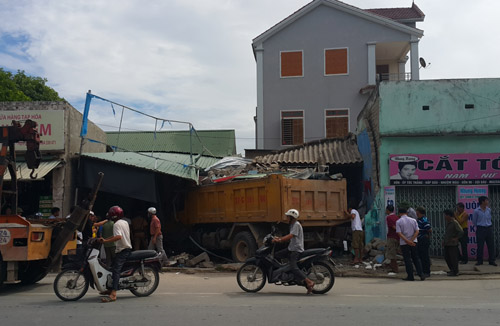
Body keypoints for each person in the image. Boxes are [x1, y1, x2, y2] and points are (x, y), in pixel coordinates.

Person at [272, 209, 315, 294]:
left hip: (296, 249)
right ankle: (283, 273)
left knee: (293, 266)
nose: (286, 218)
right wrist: (278, 238)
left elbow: (290, 236)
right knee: (277, 255)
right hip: (291, 248)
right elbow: (289, 236)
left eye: (288, 217)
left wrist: (280, 240)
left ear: (292, 217)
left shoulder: (296, 225)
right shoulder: (292, 224)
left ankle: (309, 281)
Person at [98, 206, 132, 303]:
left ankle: (113, 294)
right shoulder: (124, 222)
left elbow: (118, 236)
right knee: (112, 268)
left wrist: (106, 240)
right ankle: (111, 288)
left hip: (122, 250)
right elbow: (118, 235)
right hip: (125, 249)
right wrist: (106, 240)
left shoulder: (116, 224)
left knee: (116, 270)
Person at [396, 207, 425, 281]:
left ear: (399, 213)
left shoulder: (399, 222)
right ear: (406, 213)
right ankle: (421, 274)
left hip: (404, 243)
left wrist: (407, 241)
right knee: (416, 258)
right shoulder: (413, 220)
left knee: (407, 259)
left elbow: (399, 233)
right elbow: (417, 231)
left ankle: (410, 276)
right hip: (414, 242)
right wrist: (411, 240)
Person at [472, 196, 497, 266]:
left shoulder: (488, 210)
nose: (487, 202)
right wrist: (480, 226)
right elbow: (474, 221)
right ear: (482, 202)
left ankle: (492, 260)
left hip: (489, 228)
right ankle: (480, 261)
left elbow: (490, 219)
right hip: (480, 229)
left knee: (491, 245)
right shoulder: (476, 211)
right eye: (486, 200)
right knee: (480, 245)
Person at [443, 209, 464, 276]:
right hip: (447, 243)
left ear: (449, 215)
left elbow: (461, 231)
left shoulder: (454, 222)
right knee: (447, 257)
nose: (444, 217)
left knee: (453, 258)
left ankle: (455, 271)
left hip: (452, 244)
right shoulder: (448, 223)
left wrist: (456, 238)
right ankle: (452, 270)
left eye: (445, 215)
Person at [416, 207, 432, 277]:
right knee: (420, 256)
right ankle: (421, 271)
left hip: (423, 240)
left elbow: (429, 229)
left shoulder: (424, 219)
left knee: (424, 256)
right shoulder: (418, 220)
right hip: (419, 240)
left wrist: (427, 235)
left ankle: (426, 271)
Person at [385, 205, 399, 273]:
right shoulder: (396, 217)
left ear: (388, 210)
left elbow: (393, 227)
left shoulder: (389, 217)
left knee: (391, 253)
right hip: (397, 237)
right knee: (393, 252)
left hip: (391, 237)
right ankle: (393, 267)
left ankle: (395, 268)